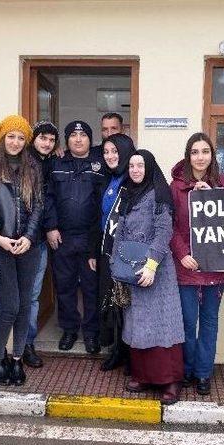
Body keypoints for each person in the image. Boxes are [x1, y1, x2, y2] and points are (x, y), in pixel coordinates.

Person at [0, 115, 43, 386]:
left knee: (25, 306)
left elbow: (39, 204)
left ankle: (16, 359)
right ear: (2, 138)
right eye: (10, 136)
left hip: (28, 246)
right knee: (10, 306)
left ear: (26, 141)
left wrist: (29, 236)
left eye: (20, 137)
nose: (15, 142)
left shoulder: (33, 166)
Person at [114, 149, 185, 404]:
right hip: (132, 268)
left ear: (150, 167)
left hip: (157, 269)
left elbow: (164, 231)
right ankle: (143, 375)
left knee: (163, 325)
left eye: (140, 165)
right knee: (138, 324)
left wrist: (152, 264)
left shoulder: (159, 194)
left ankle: (170, 380)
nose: (135, 170)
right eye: (131, 165)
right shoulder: (129, 194)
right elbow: (120, 231)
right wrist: (116, 264)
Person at [170, 133, 224, 396]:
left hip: (215, 269)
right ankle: (187, 369)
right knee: (187, 321)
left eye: (205, 151)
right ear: (188, 156)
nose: (200, 157)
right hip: (187, 268)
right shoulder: (175, 187)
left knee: (209, 322)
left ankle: (204, 373)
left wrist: (213, 195)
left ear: (212, 155)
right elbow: (170, 226)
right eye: (195, 152)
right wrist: (183, 254)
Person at [44, 120, 106, 353]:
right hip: (62, 238)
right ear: (66, 140)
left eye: (83, 135)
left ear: (90, 139)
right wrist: (50, 227)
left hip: (90, 239)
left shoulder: (100, 165)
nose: (78, 139)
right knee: (65, 287)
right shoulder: (56, 163)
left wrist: (96, 243)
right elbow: (47, 198)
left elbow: (103, 204)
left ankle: (91, 333)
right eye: (73, 135)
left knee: (91, 288)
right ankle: (69, 329)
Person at [88, 133, 136, 371]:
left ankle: (130, 355)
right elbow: (98, 218)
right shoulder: (107, 179)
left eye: (114, 151)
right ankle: (116, 350)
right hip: (107, 253)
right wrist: (93, 252)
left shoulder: (135, 178)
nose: (109, 156)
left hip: (129, 255)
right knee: (112, 303)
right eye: (106, 152)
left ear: (126, 151)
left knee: (128, 305)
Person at [22, 120, 59, 368]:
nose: (46, 143)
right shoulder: (22, 163)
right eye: (42, 138)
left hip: (38, 242)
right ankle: (4, 344)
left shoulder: (50, 164)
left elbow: (47, 201)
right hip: (16, 240)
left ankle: (27, 344)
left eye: (51, 140)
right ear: (33, 139)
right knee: (10, 297)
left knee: (33, 296)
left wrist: (48, 227)